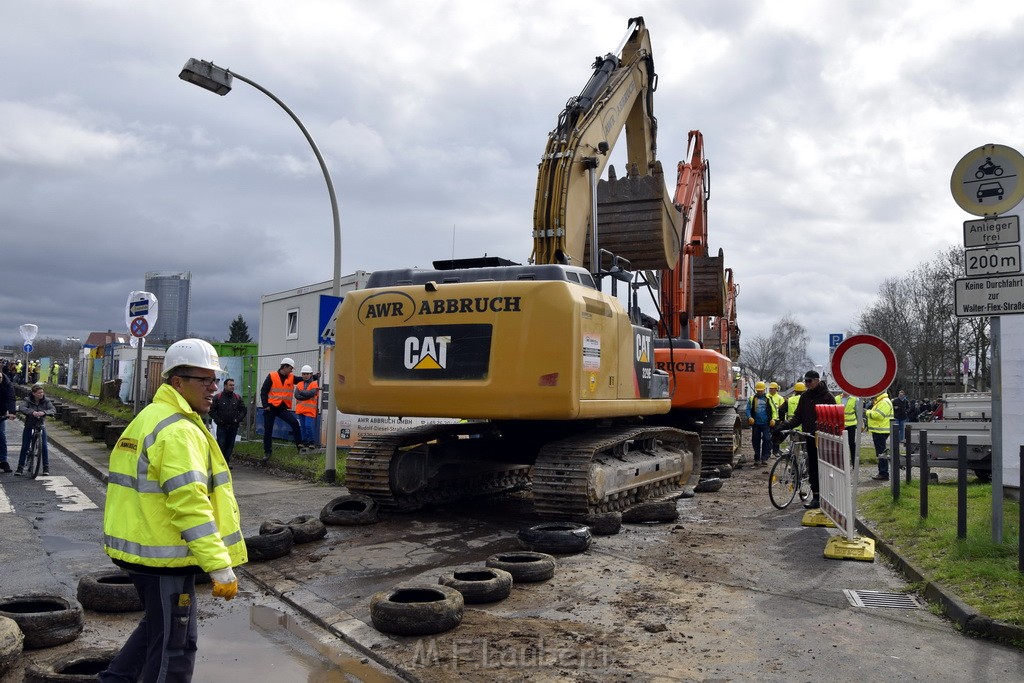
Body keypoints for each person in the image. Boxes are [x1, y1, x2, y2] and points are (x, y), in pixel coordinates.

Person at [99, 339, 246, 682]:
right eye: (205, 379)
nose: (214, 388)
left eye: (215, 379)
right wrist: (219, 566)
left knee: (157, 630)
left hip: (144, 551)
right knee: (175, 649)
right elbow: (191, 505)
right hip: (163, 557)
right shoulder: (178, 430)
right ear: (177, 382)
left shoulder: (152, 416)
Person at [776, 370, 836, 509]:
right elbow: (798, 417)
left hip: (824, 439)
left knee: (825, 468)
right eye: (805, 381)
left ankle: (828, 496)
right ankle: (816, 497)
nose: (807, 384)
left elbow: (833, 420)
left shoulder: (828, 397)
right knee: (813, 467)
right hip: (810, 438)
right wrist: (783, 426)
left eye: (809, 381)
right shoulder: (805, 397)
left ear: (817, 380)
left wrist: (822, 430)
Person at [260, 357, 304, 463]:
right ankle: (267, 452)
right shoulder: (272, 376)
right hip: (270, 408)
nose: (291, 370)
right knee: (268, 430)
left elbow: (301, 379)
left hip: (282, 408)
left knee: (294, 423)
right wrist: (265, 405)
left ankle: (300, 447)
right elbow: (264, 391)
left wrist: (314, 376)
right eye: (290, 368)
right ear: (284, 367)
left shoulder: (291, 377)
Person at [15, 383, 56, 475]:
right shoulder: (27, 400)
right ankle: (20, 467)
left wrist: (44, 412)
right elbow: (22, 407)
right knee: (25, 446)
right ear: (33, 393)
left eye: (42, 392)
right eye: (39, 393)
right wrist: (32, 412)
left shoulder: (46, 401)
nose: (41, 394)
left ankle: (46, 468)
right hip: (29, 425)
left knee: (44, 447)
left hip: (40, 425)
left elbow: (53, 409)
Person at [210, 378, 246, 466]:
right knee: (221, 444)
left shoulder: (237, 398)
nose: (232, 387)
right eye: (230, 385)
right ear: (225, 386)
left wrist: (238, 419)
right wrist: (218, 420)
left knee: (230, 445)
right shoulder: (218, 397)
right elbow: (211, 410)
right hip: (222, 426)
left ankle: (226, 462)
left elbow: (243, 410)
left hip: (233, 426)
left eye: (233, 385)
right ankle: (220, 463)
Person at [745, 381, 777, 466]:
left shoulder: (768, 398)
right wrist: (749, 417)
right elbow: (748, 409)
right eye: (758, 391)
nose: (759, 392)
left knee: (767, 439)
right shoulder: (752, 398)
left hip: (766, 423)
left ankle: (764, 458)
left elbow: (774, 410)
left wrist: (773, 419)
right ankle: (757, 458)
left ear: (764, 390)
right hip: (756, 423)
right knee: (756, 441)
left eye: (761, 391)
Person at [867, 388, 895, 481]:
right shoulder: (882, 401)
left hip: (880, 430)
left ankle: (883, 473)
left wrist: (867, 412)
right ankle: (882, 472)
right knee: (881, 452)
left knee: (881, 453)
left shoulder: (883, 402)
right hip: (880, 430)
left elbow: (878, 416)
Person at [294, 365, 321, 450]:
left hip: (309, 410)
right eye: (303, 374)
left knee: (308, 426)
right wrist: (305, 394)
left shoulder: (314, 384)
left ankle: (311, 442)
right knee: (302, 426)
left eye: (307, 374)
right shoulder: (299, 384)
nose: (305, 375)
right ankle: (304, 442)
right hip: (301, 410)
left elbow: (311, 394)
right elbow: (296, 396)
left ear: (311, 374)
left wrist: (302, 392)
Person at [0, 372, 16, 473]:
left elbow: (11, 398)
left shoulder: (7, 384)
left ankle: (3, 460)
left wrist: (12, 412)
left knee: (1, 436)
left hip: (1, 412)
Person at [838, 390, 858, 463]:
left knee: (851, 443)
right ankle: (842, 462)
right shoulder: (837, 398)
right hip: (840, 425)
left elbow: (858, 412)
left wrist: (860, 424)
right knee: (840, 443)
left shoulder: (855, 399)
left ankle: (854, 462)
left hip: (851, 425)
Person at [767, 382, 786, 455]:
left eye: (772, 389)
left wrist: (782, 420)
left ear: (776, 389)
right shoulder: (766, 397)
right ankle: (768, 450)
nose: (771, 390)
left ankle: (775, 451)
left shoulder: (780, 398)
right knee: (767, 436)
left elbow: (782, 410)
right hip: (768, 419)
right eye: (770, 389)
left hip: (777, 420)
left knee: (777, 435)